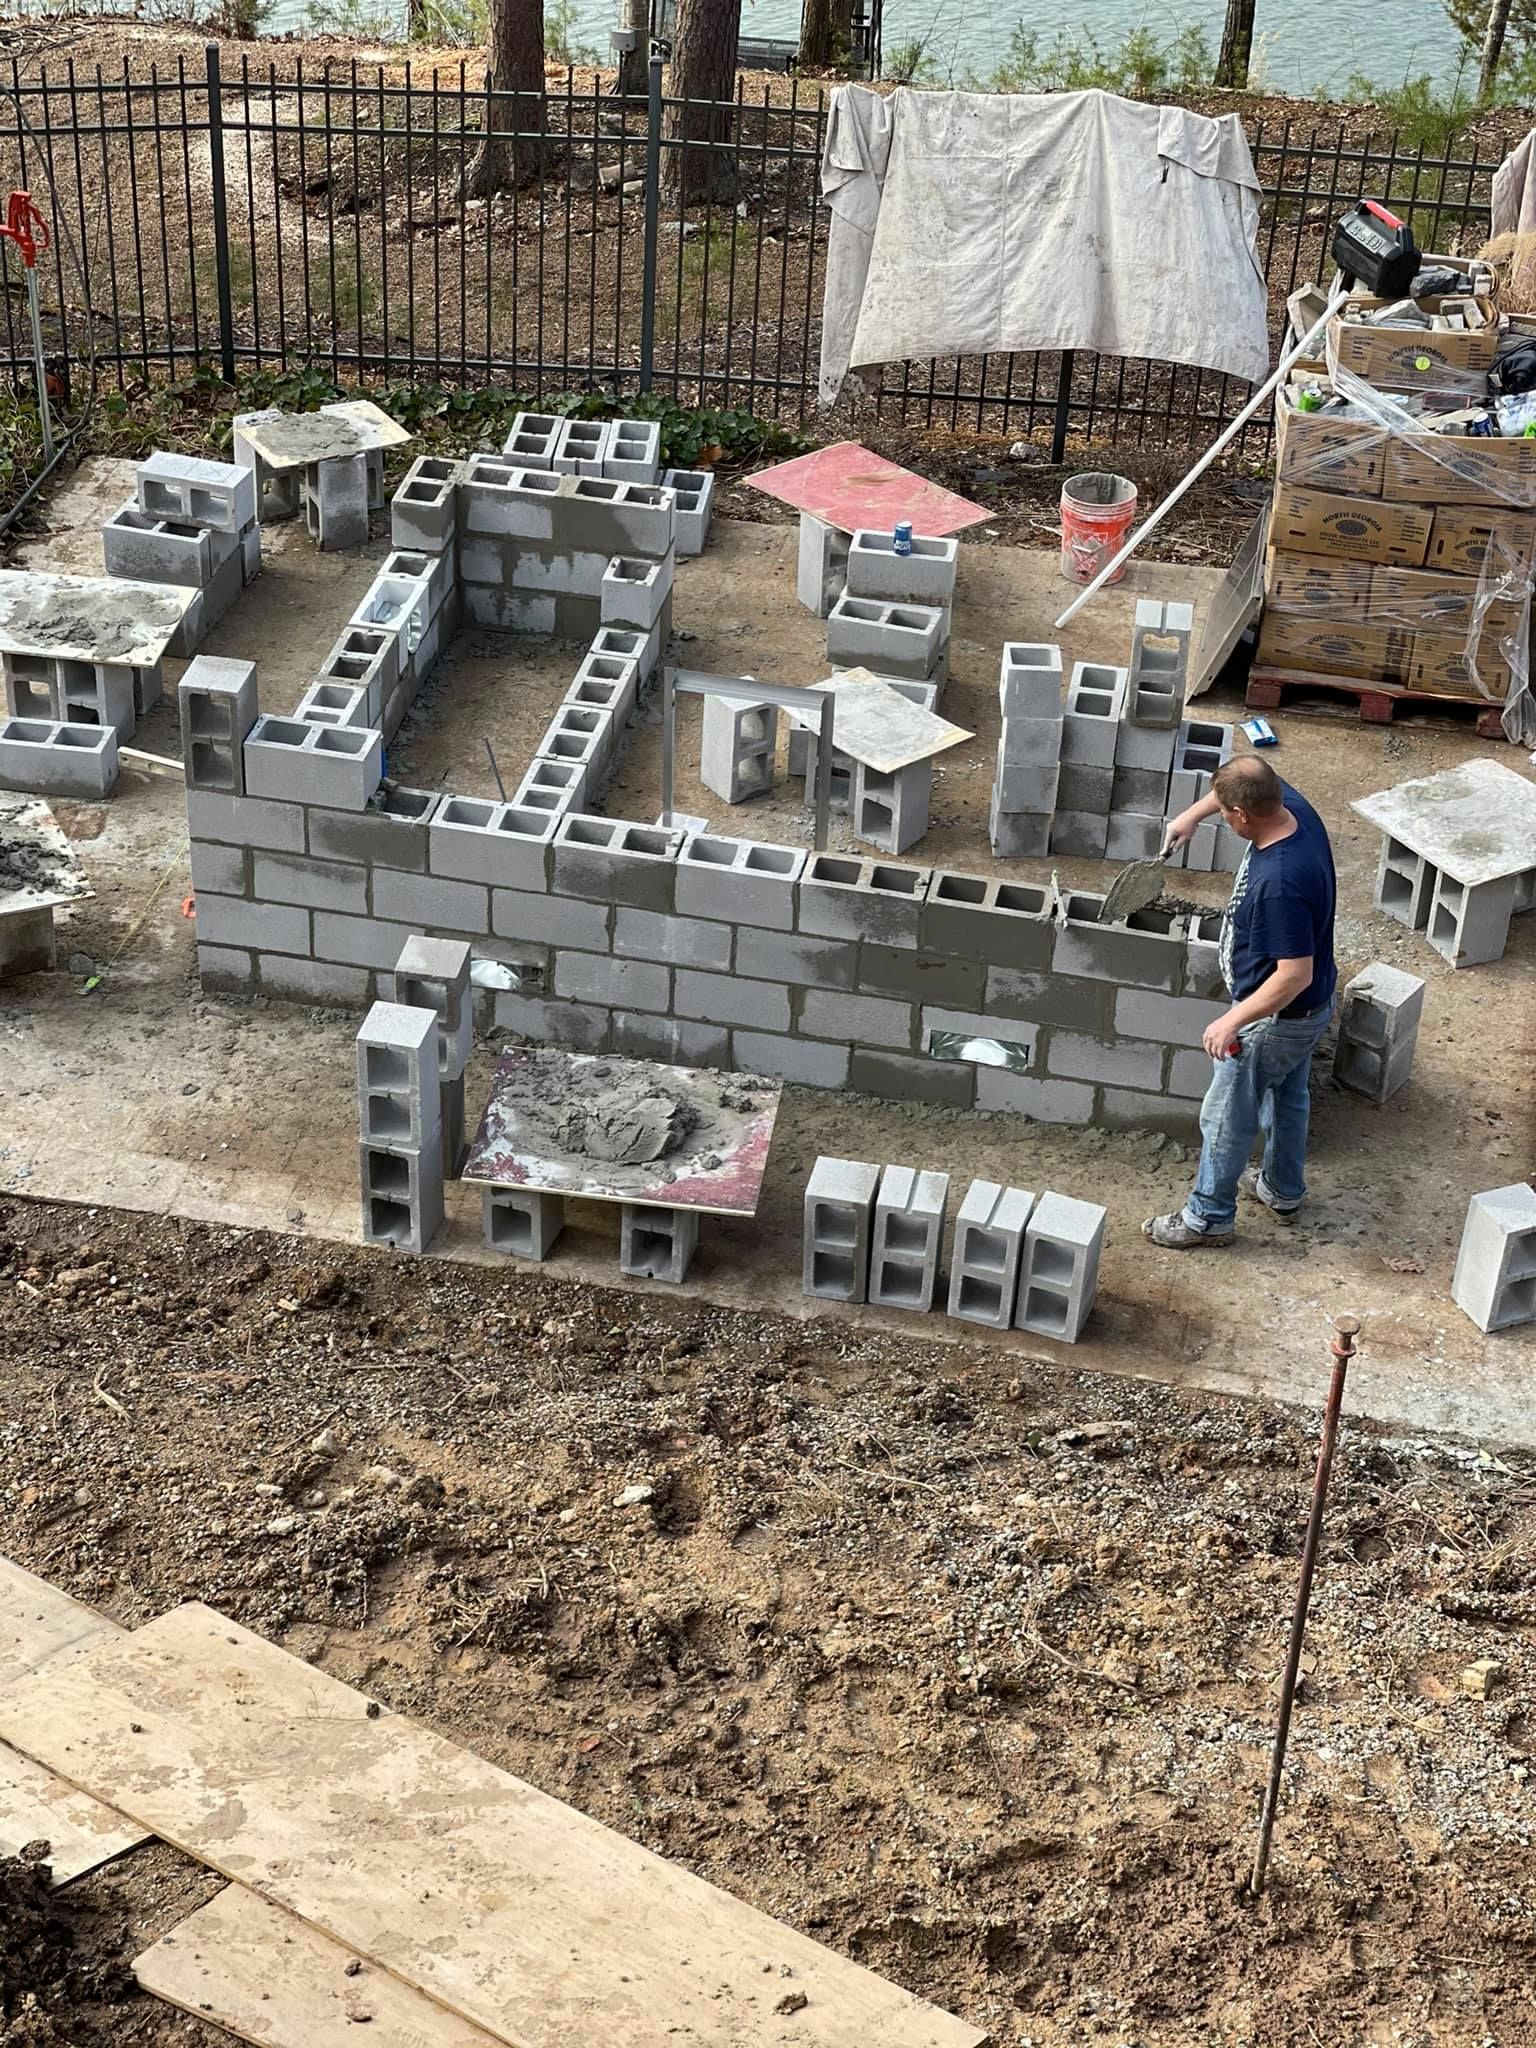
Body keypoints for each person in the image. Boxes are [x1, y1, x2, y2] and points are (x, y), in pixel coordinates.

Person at [1142, 756, 1337, 1250]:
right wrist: (1192, 816)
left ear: (1242, 815)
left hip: (1276, 1017)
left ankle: (1207, 1218)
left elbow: (1293, 974)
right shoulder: (1292, 808)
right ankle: (1282, 1190)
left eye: (1226, 814)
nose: (1225, 818)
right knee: (1287, 1097)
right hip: (1308, 1009)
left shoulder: (1279, 884)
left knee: (1226, 1117)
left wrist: (1234, 1019)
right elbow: (1242, 781)